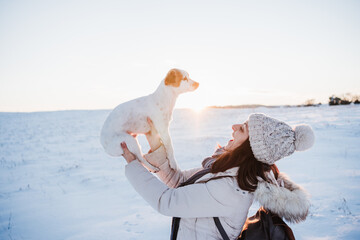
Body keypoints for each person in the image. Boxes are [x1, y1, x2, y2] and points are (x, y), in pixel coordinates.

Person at [121, 113, 315, 239]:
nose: (233, 126)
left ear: (251, 148)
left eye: (242, 129)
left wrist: (133, 164)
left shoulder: (232, 189)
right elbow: (179, 182)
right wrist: (155, 143)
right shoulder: (227, 171)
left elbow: (167, 201)